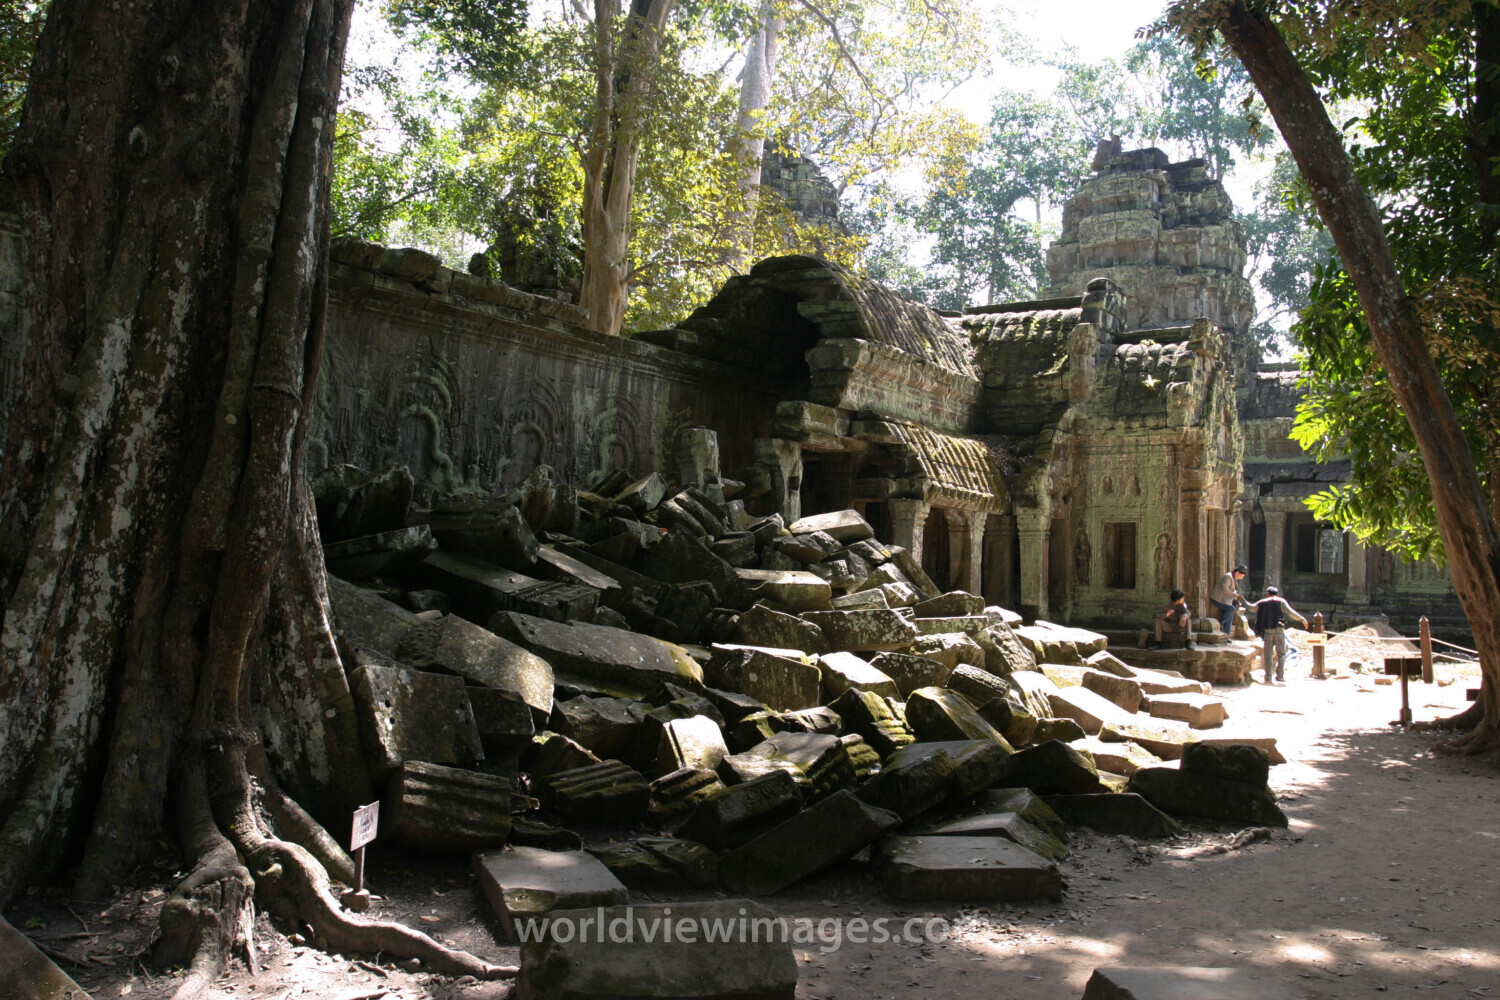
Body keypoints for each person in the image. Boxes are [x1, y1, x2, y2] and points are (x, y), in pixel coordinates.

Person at [1253, 585, 1309, 684]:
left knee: (1268, 655)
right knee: (1282, 655)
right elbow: (1291, 613)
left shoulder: (1262, 602)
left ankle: (1268, 677)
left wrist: (1242, 600)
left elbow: (1251, 607)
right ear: (1278, 594)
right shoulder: (1281, 602)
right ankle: (1280, 676)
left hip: (1268, 632)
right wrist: (1302, 619)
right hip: (1279, 631)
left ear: (1268, 594)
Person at [1209, 564, 1249, 635]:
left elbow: (1232, 590)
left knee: (1230, 616)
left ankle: (1226, 634)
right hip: (1217, 599)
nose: (1241, 578)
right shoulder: (1228, 577)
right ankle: (1220, 623)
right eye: (1242, 576)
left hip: (1226, 601)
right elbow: (1224, 589)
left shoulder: (1234, 579)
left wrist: (1238, 596)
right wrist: (1236, 596)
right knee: (1231, 609)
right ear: (1238, 572)